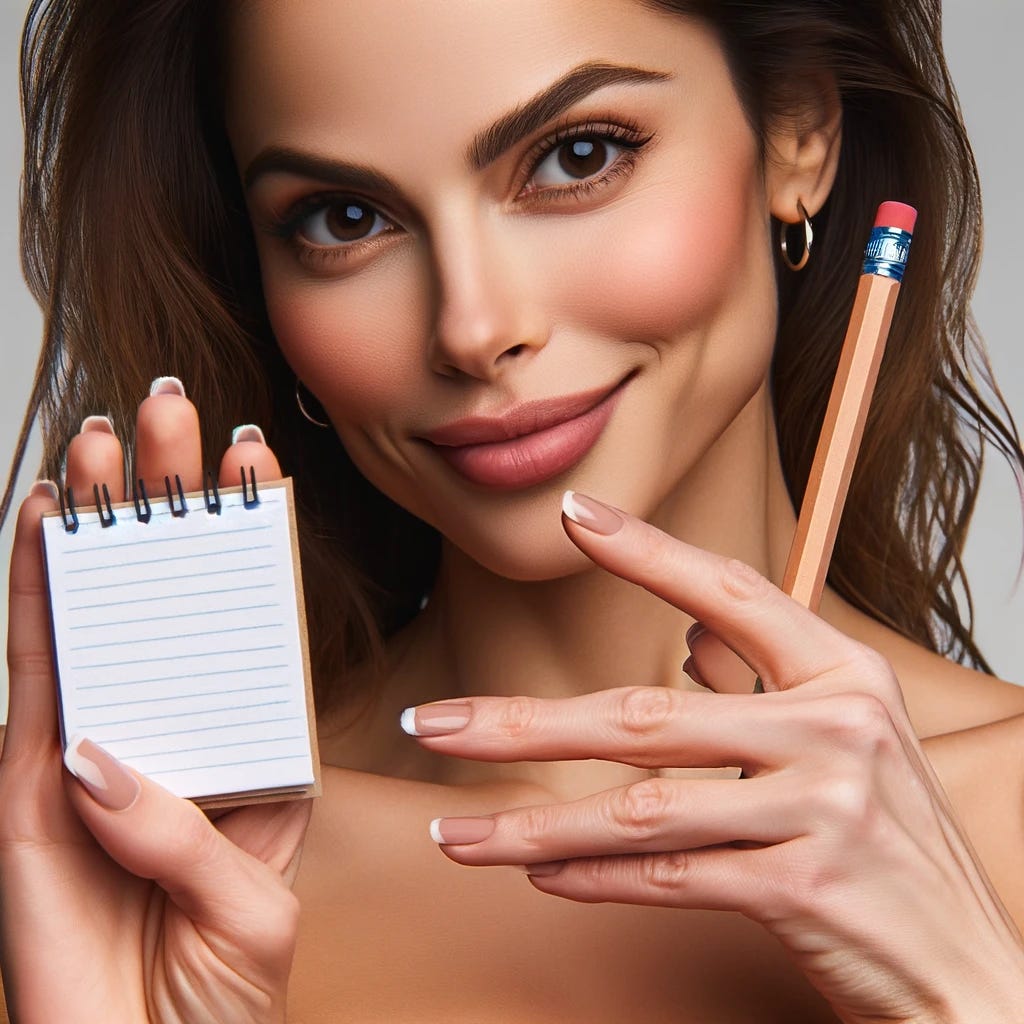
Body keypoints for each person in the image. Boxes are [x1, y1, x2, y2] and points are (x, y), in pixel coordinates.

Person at [2, 0, 1023, 1020]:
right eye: (344, 219)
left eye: (578, 156)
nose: (475, 327)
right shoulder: (127, 871)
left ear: (797, 132)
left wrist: (967, 986)